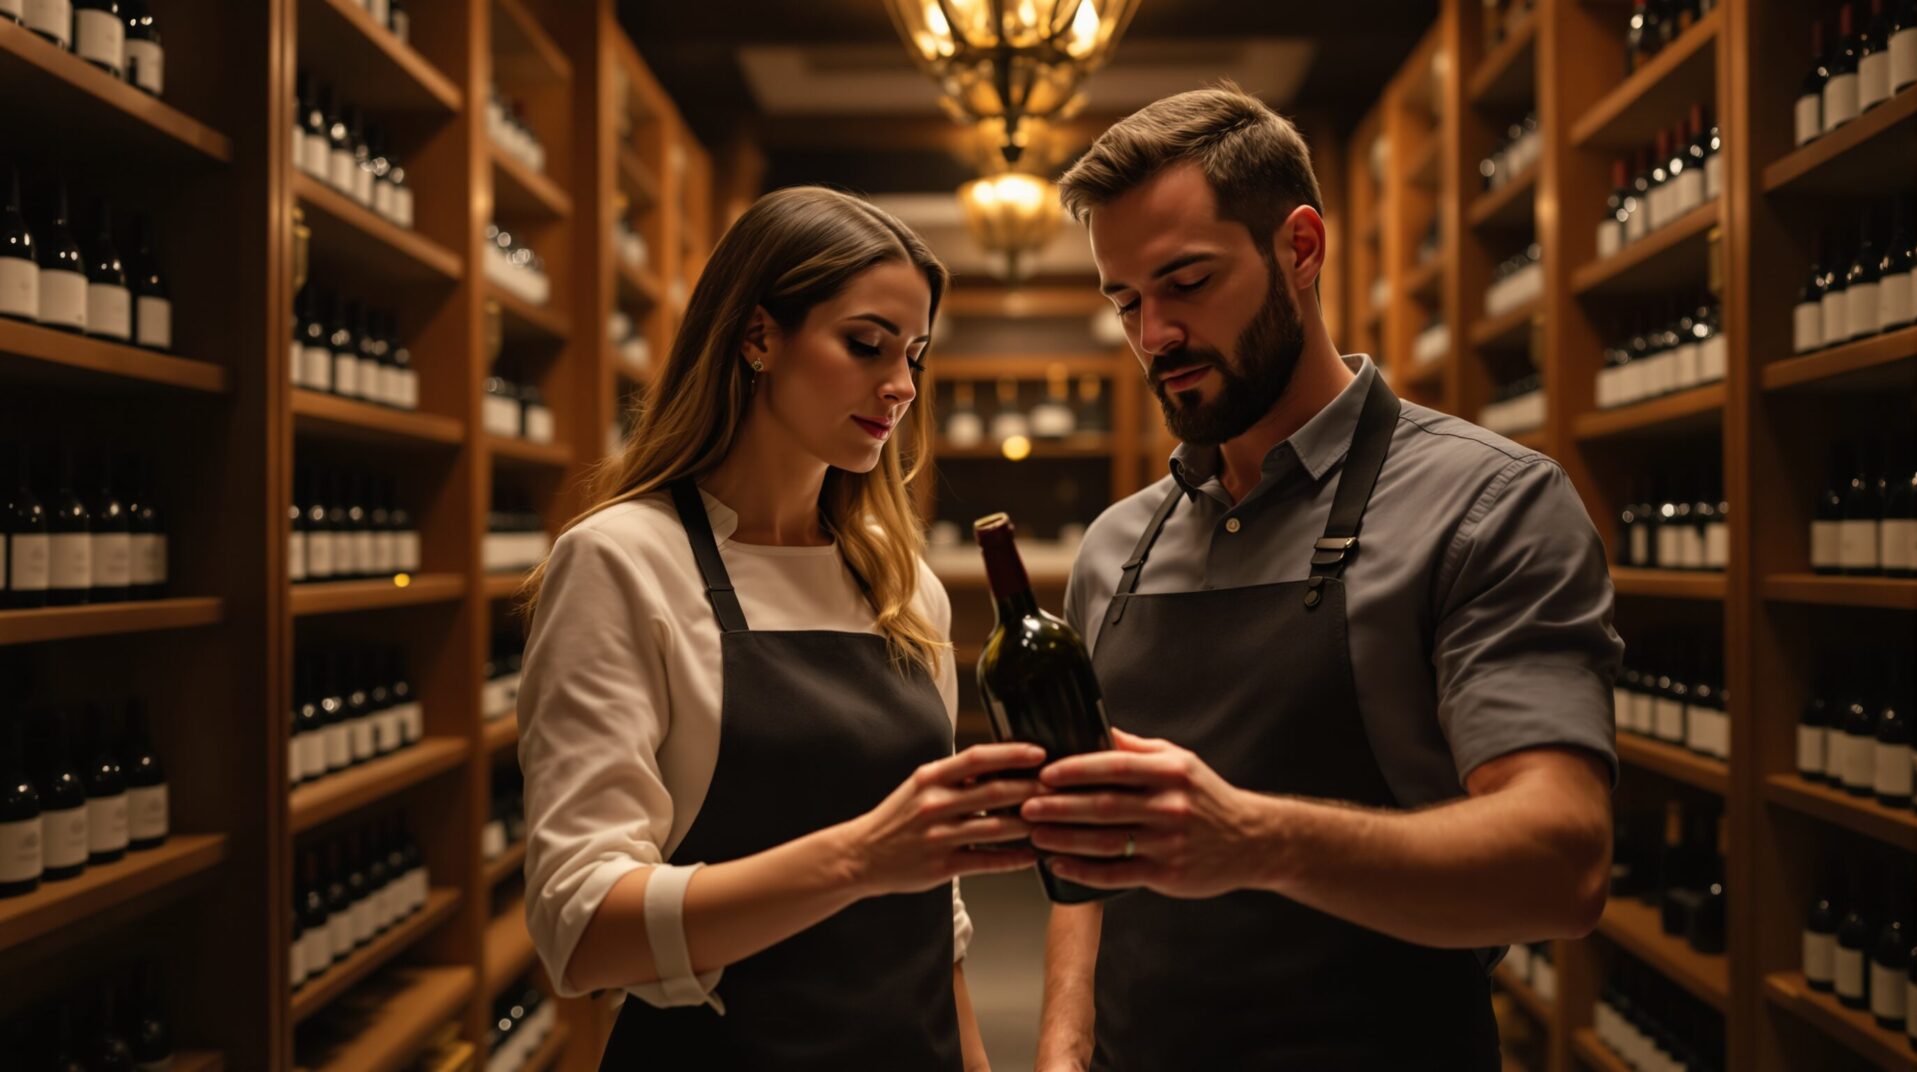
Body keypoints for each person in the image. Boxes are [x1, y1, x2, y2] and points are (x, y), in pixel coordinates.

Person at [1024, 84, 1624, 1071]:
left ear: (1300, 249)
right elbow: (1092, 854)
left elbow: (1564, 860)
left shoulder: (1488, 505)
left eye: (1185, 281)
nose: (1154, 334)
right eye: (1126, 300)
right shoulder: (1114, 548)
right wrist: (1059, 1044)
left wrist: (1254, 837)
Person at [516, 185, 1042, 1070]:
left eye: (914, 355)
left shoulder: (903, 581)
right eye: (866, 345)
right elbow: (581, 930)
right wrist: (862, 858)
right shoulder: (620, 561)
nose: (901, 387)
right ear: (758, 336)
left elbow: (933, 911)